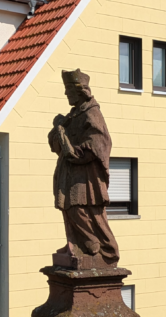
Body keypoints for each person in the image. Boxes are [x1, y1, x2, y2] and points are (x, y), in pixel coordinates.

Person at [48, 69, 120, 265]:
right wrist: (58, 130)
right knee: (68, 208)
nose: (66, 93)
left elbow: (100, 142)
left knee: (80, 209)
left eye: (69, 89)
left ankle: (99, 247)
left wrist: (75, 151)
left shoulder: (91, 113)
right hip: (69, 173)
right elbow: (56, 146)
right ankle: (75, 244)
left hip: (85, 175)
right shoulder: (73, 115)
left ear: (80, 90)